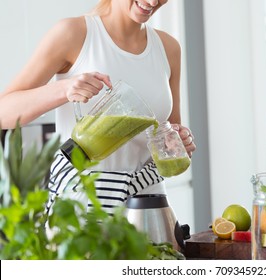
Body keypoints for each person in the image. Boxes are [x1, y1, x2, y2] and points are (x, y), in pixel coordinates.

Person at [0, 0, 196, 215]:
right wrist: (64, 89)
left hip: (147, 206)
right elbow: (4, 112)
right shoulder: (74, 34)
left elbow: (170, 131)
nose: (152, 2)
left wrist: (179, 141)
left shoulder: (168, 47)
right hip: (83, 208)